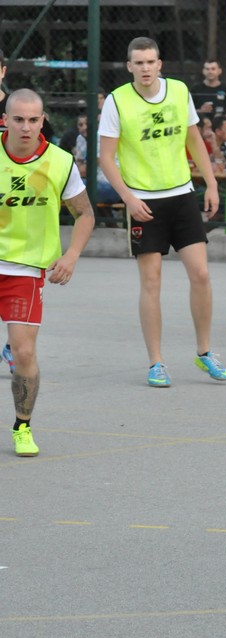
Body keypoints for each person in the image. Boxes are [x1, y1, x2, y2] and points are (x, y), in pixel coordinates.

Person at [98, 36, 226, 387]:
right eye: (138, 63)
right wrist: (128, 198)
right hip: (143, 200)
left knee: (200, 274)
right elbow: (106, 158)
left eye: (150, 62)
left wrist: (211, 183)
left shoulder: (179, 91)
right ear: (129, 66)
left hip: (182, 194)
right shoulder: (117, 102)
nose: (144, 68)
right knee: (152, 282)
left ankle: (204, 353)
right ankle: (156, 362)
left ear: (160, 64)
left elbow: (193, 139)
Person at [1, 89, 96, 456]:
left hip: (25, 269)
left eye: (33, 120)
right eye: (18, 119)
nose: (26, 127)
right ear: (6, 119)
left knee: (23, 353)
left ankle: (22, 427)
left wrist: (71, 255)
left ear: (43, 121)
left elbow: (85, 214)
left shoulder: (58, 162)